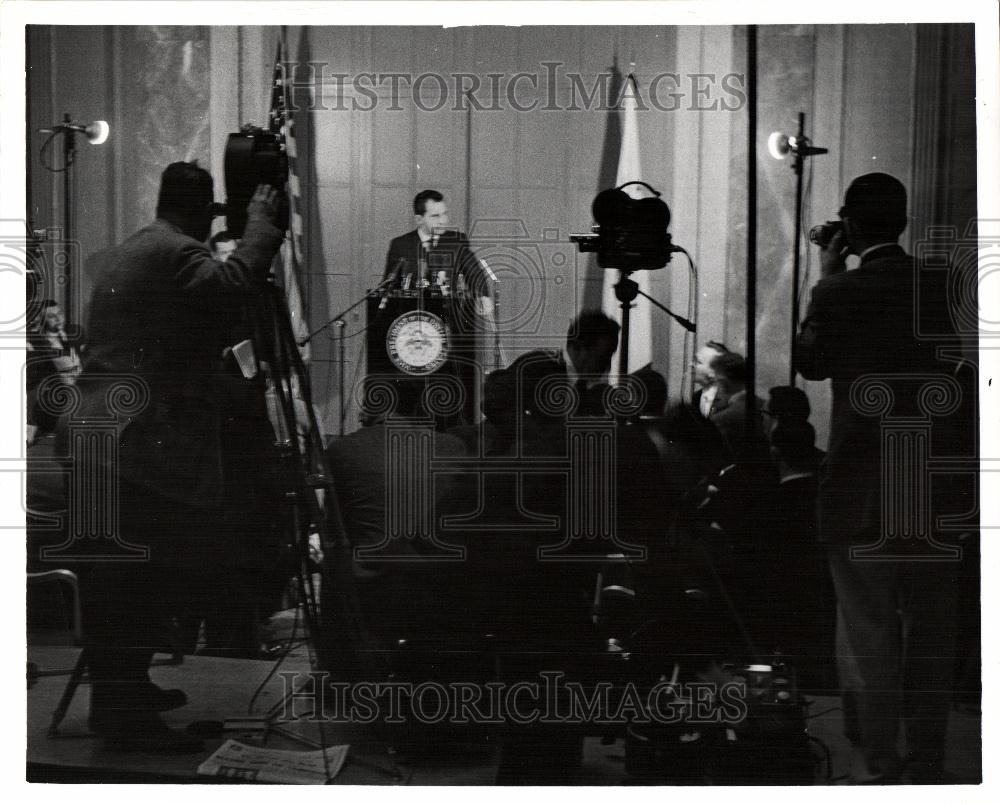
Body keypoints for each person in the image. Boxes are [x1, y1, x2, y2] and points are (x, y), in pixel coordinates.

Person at [70, 162, 284, 750]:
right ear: (203, 209)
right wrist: (263, 229)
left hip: (104, 440)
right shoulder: (175, 254)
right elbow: (232, 288)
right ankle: (121, 716)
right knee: (141, 578)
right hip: (135, 448)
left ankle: (126, 689)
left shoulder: (138, 247)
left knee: (127, 579)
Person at [795, 172, 962, 783]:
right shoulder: (946, 287)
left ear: (853, 225)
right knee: (932, 636)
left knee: (869, 632)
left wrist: (827, 271)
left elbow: (809, 364)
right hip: (935, 488)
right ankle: (930, 757)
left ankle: (883, 764)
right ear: (904, 221)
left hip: (861, 491)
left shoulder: (838, 292)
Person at [383, 190, 492, 422]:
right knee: (414, 398)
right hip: (412, 335)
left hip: (446, 332)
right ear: (419, 219)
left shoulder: (456, 242)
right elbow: (388, 287)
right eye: (435, 216)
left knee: (445, 394)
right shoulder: (401, 245)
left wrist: (483, 295)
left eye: (444, 214)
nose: (444, 220)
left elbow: (474, 272)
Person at [692, 340, 729, 417]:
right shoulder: (695, 398)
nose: (691, 365)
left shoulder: (728, 400)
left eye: (698, 362)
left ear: (715, 370)